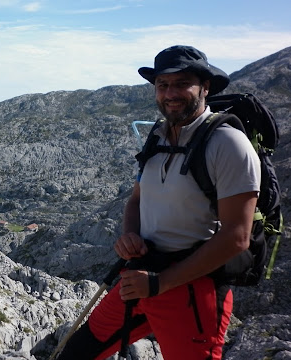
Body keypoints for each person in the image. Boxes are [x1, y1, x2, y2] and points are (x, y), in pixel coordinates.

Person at [56, 45, 261, 359]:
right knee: (77, 352)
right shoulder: (157, 137)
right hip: (140, 278)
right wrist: (130, 236)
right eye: (163, 85)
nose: (170, 93)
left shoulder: (228, 144)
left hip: (191, 289)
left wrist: (160, 284)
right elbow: (137, 200)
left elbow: (237, 237)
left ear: (205, 86)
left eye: (182, 83)